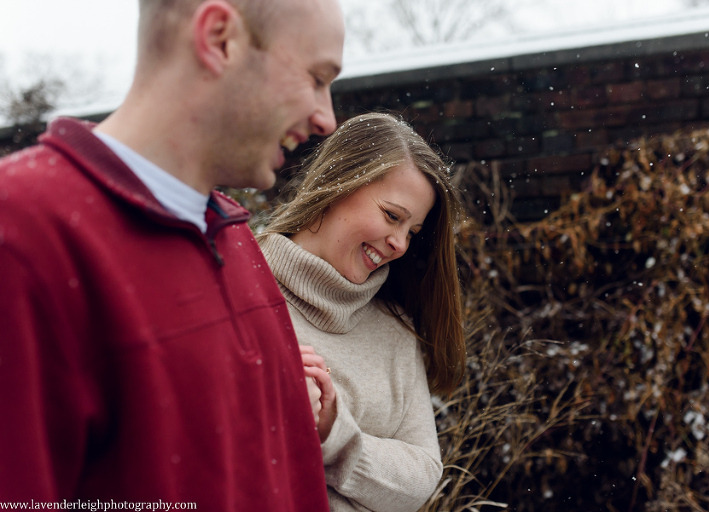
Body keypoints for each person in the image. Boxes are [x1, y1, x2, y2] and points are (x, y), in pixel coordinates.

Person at [0, 0, 344, 509]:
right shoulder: (23, 234)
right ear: (220, 38)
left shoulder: (235, 237)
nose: (327, 119)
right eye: (316, 77)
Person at [257, 112, 467, 512]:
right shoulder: (238, 291)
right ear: (339, 184)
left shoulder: (395, 327)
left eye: (412, 232)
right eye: (392, 216)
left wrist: (332, 434)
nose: (400, 244)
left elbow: (421, 476)